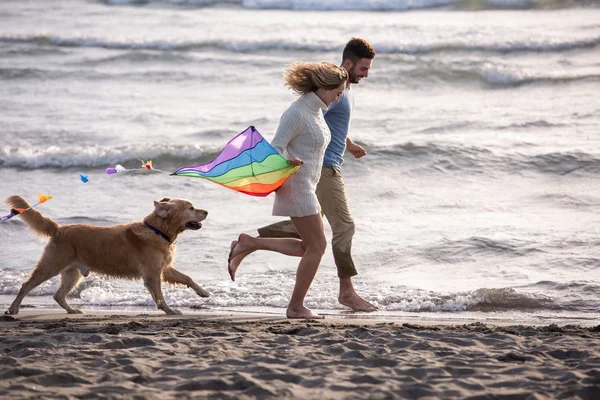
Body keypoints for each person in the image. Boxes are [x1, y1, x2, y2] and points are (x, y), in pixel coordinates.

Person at [254, 38, 378, 312]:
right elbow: (306, 118)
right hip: (322, 168)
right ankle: (346, 292)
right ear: (348, 63)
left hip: (326, 166)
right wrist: (289, 158)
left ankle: (250, 242)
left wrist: (348, 142)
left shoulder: (340, 90)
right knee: (343, 227)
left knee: (307, 234)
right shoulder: (334, 89)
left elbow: (323, 123)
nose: (366, 74)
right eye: (364, 68)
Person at [228, 61, 348, 319]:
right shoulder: (296, 113)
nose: (339, 98)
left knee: (309, 247)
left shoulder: (315, 110)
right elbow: (276, 148)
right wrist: (285, 162)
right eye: (338, 93)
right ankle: (295, 306)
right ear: (325, 87)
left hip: (308, 185)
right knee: (318, 246)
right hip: (296, 186)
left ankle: (250, 243)